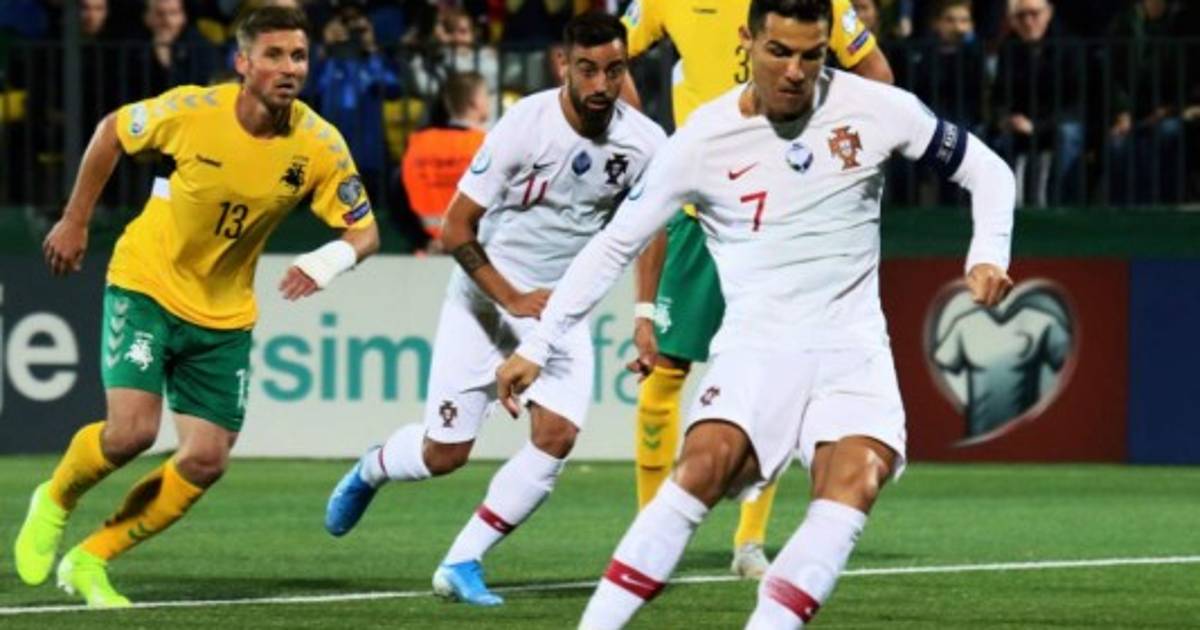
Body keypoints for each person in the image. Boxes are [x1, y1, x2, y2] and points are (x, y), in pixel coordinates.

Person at [496, 0, 1015, 627]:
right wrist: (538, 344)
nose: (796, 71)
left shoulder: (878, 109)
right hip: (757, 349)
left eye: (812, 55)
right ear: (748, 40)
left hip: (853, 350)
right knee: (706, 464)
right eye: (780, 52)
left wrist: (987, 255)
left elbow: (987, 170)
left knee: (858, 478)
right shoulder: (702, 140)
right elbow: (613, 245)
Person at [12, 5, 380, 608]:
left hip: (224, 314)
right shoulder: (193, 111)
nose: (290, 68)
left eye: (298, 56)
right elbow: (111, 131)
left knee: (207, 459)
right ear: (243, 63)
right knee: (131, 433)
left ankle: (90, 558)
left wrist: (328, 260)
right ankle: (54, 499)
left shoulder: (319, 144)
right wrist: (75, 220)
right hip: (148, 284)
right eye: (274, 55)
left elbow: (364, 232)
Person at [323, 12, 665, 607]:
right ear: (563, 65)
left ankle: (462, 560)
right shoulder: (524, 125)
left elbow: (650, 226)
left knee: (557, 436)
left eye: (614, 70)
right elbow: (457, 227)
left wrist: (644, 313)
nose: (601, 84)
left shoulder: (646, 143)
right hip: (486, 299)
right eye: (588, 69)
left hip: (560, 308)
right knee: (444, 454)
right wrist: (511, 299)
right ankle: (373, 468)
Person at [619, 0, 894, 580]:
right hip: (700, 212)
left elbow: (877, 74)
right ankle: (649, 531)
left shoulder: (812, 5)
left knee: (779, 374)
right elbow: (612, 50)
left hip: (783, 211)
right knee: (663, 371)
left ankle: (749, 541)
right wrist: (644, 133)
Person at [395, 71, 490, 254]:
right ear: (475, 102)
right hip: (475, 251)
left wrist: (424, 240)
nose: (488, 101)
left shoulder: (419, 142)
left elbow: (398, 197)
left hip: (428, 250)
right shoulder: (485, 144)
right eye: (486, 95)